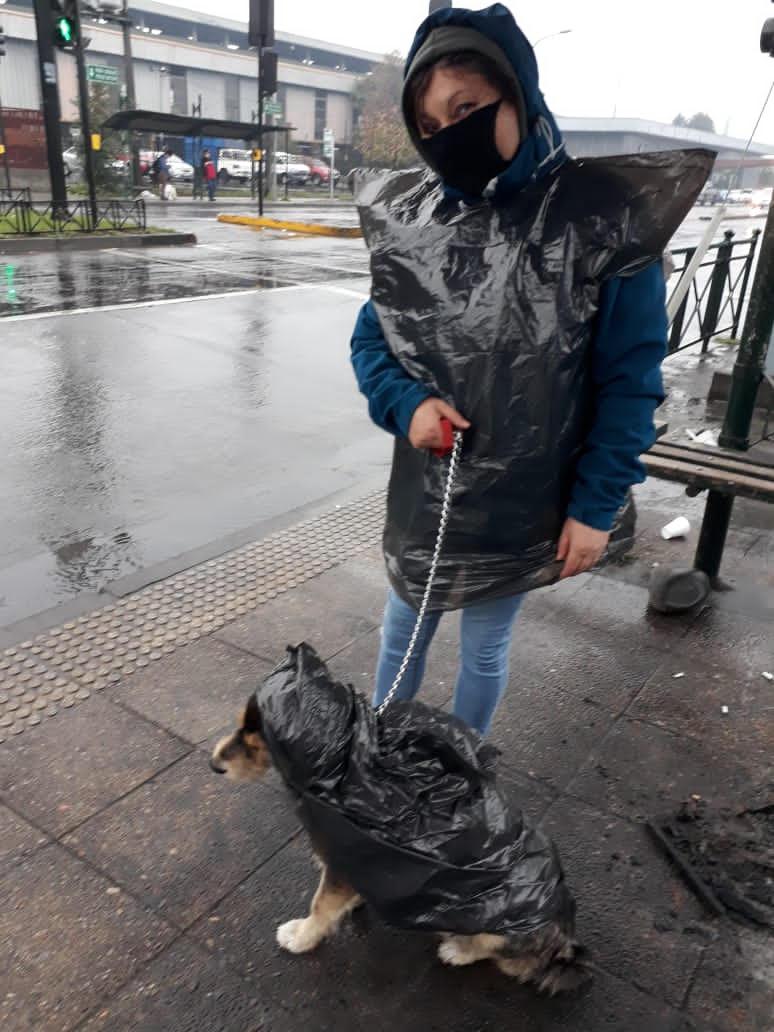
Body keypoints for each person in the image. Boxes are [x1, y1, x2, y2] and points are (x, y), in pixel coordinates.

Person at [350, 3, 709, 736]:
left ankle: (464, 771)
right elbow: (371, 342)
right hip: (431, 491)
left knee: (484, 648)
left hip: (525, 498)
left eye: (468, 108)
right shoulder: (417, 224)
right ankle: (381, 761)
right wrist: (407, 404)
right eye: (430, 124)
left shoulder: (598, 218)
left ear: (518, 93)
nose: (449, 134)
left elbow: (629, 383)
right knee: (402, 631)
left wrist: (594, 507)